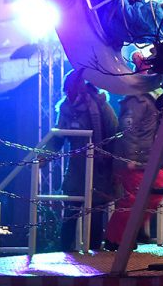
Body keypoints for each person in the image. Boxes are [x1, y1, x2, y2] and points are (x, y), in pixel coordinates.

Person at [50, 71, 118, 253]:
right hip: (77, 165)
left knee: (96, 210)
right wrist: (44, 155)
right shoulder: (66, 108)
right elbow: (58, 137)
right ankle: (65, 251)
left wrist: (112, 164)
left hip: (99, 164)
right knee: (72, 207)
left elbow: (112, 131)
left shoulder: (99, 104)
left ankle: (94, 251)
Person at [103, 89, 163, 251]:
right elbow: (129, 131)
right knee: (132, 200)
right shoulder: (136, 100)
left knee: (158, 185)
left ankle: (132, 230)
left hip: (147, 159)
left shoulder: (154, 96)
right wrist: (132, 159)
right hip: (134, 160)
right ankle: (116, 238)